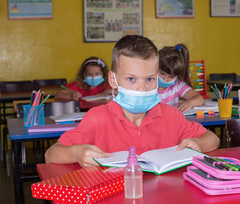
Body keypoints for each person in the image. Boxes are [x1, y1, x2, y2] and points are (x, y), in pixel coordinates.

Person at [45, 35, 219, 167]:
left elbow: (212, 138)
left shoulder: (170, 115)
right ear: (113, 80)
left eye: (149, 79)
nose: (142, 88)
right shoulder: (97, 118)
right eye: (131, 79)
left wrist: (198, 144)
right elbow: (52, 154)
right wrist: (77, 153)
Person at [158, 43, 204, 112]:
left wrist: (189, 103)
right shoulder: (147, 84)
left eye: (171, 76)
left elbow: (200, 99)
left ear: (177, 76)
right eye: (162, 73)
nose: (165, 79)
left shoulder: (177, 85)